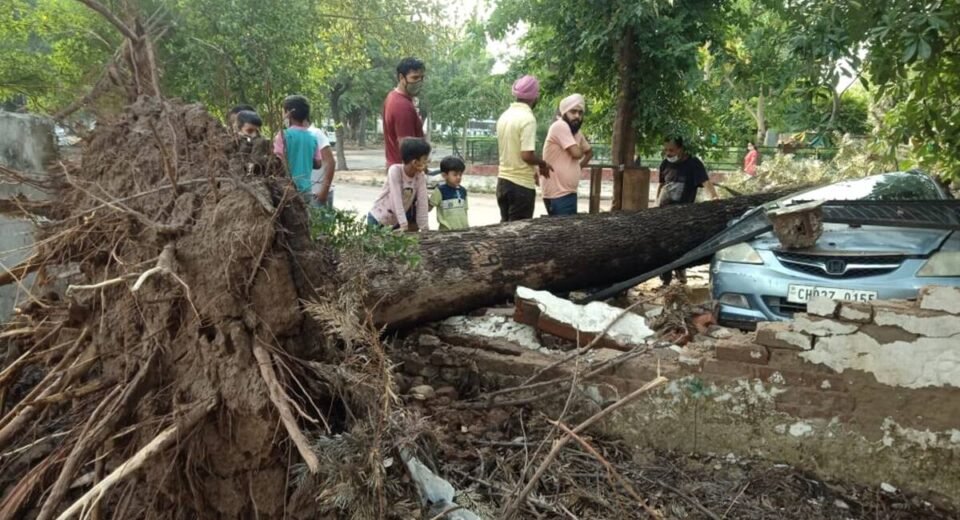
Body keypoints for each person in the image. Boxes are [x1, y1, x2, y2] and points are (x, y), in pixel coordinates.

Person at [656, 136, 720, 285]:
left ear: (680, 149)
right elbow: (661, 185)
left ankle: (681, 273)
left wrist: (715, 198)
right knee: (664, 247)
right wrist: (655, 204)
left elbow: (705, 182)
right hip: (664, 214)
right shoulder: (665, 164)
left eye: (671, 150)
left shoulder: (693, 164)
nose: (668, 153)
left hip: (684, 215)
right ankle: (665, 280)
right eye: (665, 150)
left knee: (679, 246)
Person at [495, 75, 551, 222]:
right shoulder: (528, 118)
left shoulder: (504, 116)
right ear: (535, 97)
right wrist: (542, 163)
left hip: (502, 182)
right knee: (518, 237)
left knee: (504, 231)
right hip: (520, 186)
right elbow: (526, 155)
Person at [540, 94, 593, 216]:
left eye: (580, 113)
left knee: (566, 233)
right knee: (564, 232)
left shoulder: (576, 132)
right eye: (573, 112)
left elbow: (590, 152)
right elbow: (576, 153)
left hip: (568, 193)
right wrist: (578, 151)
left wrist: (578, 168)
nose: (577, 116)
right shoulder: (560, 126)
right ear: (564, 113)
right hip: (558, 194)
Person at [368, 138, 430, 232]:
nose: (427, 162)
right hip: (378, 219)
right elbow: (396, 199)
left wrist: (425, 229)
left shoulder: (420, 176)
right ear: (415, 162)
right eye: (425, 159)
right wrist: (404, 224)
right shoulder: (395, 171)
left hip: (395, 222)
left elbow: (423, 203)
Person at [272, 95, 324, 205]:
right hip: (306, 190)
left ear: (288, 113)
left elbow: (277, 161)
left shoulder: (283, 135)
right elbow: (318, 164)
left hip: (286, 189)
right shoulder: (312, 137)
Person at [383, 57, 425, 167]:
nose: (419, 82)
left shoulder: (392, 97)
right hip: (405, 174)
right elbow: (408, 149)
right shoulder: (402, 106)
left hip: (397, 169)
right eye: (414, 77)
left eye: (421, 78)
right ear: (402, 78)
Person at [429, 156, 469, 231]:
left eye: (460, 174)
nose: (458, 177)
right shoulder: (439, 191)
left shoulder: (463, 191)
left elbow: (465, 211)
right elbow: (428, 208)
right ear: (444, 175)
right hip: (446, 232)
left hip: (463, 231)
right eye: (455, 174)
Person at [307, 120, 336, 208]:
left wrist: (324, 191)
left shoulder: (315, 133)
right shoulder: (290, 134)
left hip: (317, 195)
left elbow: (330, 162)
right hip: (303, 193)